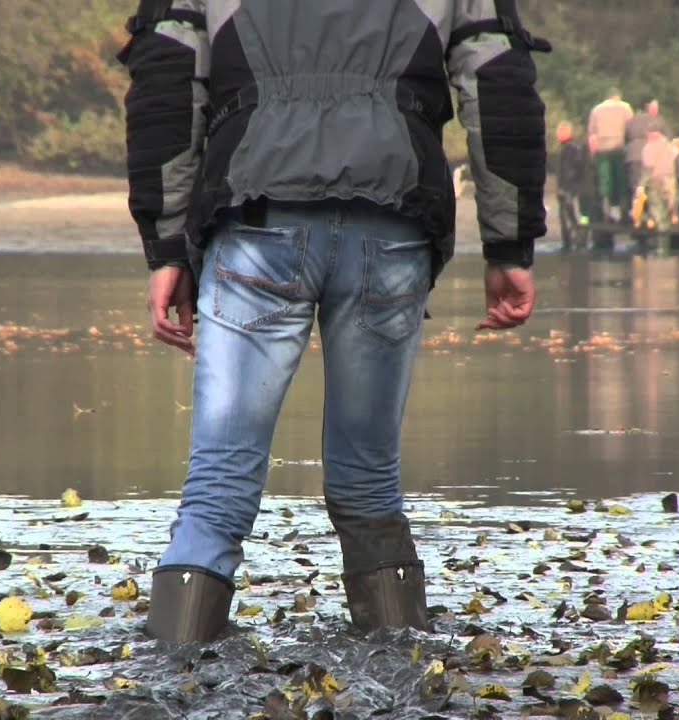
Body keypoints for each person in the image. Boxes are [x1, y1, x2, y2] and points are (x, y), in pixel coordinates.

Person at [119, 0, 548, 643]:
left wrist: (168, 246)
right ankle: (403, 666)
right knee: (369, 479)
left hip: (257, 212)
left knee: (217, 482)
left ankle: (172, 673)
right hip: (394, 215)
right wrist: (508, 247)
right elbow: (499, 84)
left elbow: (165, 79)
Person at [588, 88, 633, 222]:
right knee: (620, 180)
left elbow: (592, 133)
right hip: (619, 148)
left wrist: (593, 153)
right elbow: (630, 128)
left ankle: (606, 211)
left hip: (602, 150)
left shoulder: (596, 109)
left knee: (605, 181)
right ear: (618, 97)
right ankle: (623, 211)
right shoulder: (625, 107)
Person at [553, 121, 590, 250]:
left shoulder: (570, 149)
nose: (557, 134)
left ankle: (573, 242)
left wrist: (565, 188)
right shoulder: (570, 148)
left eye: (559, 132)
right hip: (568, 189)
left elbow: (571, 171)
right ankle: (574, 241)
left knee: (569, 217)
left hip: (568, 190)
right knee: (568, 217)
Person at [625, 98, 670, 195]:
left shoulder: (631, 121)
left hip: (633, 156)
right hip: (651, 158)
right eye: (654, 107)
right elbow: (667, 138)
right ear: (648, 107)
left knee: (636, 186)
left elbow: (626, 137)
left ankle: (637, 207)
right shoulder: (658, 120)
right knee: (651, 187)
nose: (657, 110)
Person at [639, 128, 677, 235]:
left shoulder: (648, 148)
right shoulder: (671, 147)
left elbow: (648, 169)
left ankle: (661, 246)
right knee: (670, 210)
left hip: (655, 183)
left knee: (658, 213)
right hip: (670, 182)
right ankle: (667, 241)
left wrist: (641, 186)